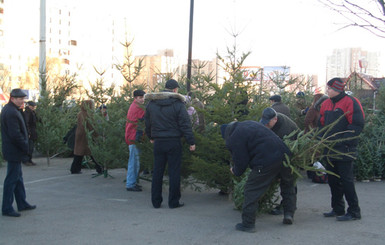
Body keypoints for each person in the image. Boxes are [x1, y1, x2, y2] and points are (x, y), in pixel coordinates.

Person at [221, 120, 296, 233]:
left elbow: (241, 160)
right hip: (285, 154)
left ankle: (248, 224)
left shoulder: (234, 137)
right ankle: (289, 214)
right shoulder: (249, 124)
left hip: (266, 161)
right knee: (288, 185)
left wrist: (235, 171)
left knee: (251, 190)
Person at [319, 77, 365, 222]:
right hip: (329, 149)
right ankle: (338, 208)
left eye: (330, 88)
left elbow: (357, 125)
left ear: (338, 89)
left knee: (346, 181)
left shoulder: (351, 102)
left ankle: (354, 211)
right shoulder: (325, 103)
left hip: (345, 149)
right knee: (333, 180)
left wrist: (344, 141)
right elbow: (321, 124)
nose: (328, 90)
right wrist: (321, 139)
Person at [144, 79, 196, 209]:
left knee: (157, 172)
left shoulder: (152, 104)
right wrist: (191, 141)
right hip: (173, 141)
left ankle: (156, 202)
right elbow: (185, 125)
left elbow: (147, 123)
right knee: (174, 172)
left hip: (158, 142)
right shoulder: (178, 105)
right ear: (175, 90)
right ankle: (173, 202)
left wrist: (151, 136)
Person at [1, 89, 36, 217]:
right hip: (14, 150)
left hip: (14, 150)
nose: (22, 101)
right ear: (12, 98)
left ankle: (21, 202)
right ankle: (6, 207)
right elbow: (15, 134)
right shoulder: (11, 112)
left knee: (18, 177)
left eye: (23, 99)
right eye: (19, 99)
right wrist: (25, 146)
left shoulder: (12, 110)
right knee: (12, 179)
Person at [260, 107, 299, 215]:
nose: (266, 125)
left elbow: (281, 150)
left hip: (289, 155)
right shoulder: (272, 123)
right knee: (287, 182)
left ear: (275, 119)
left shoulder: (284, 130)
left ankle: (288, 210)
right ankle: (288, 209)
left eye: (268, 123)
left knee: (288, 182)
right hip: (281, 153)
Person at [70, 100, 103, 174]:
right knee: (93, 153)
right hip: (86, 135)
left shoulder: (80, 114)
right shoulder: (89, 114)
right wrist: (96, 134)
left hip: (80, 135)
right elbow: (91, 126)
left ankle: (74, 169)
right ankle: (99, 168)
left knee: (79, 153)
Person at [125, 89, 146, 192]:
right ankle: (130, 184)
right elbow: (144, 119)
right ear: (136, 98)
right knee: (133, 161)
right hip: (133, 138)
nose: (142, 100)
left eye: (143, 98)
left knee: (135, 161)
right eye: (140, 98)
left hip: (132, 137)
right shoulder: (137, 108)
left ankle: (132, 182)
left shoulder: (134, 106)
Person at [23, 101, 38, 166]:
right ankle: (26, 160)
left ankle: (29, 160)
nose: (33, 108)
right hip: (29, 132)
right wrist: (28, 132)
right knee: (29, 147)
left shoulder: (32, 113)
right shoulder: (27, 113)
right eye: (32, 106)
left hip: (32, 131)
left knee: (31, 147)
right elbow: (27, 123)